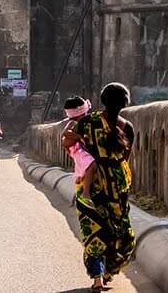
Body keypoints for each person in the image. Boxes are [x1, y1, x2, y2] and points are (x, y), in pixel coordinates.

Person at [62, 82, 137, 291]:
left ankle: (97, 277)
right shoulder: (126, 127)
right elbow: (125, 159)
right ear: (125, 102)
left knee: (94, 229)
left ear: (102, 100)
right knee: (120, 230)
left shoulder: (87, 122)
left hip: (92, 184)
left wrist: (78, 142)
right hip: (117, 184)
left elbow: (67, 143)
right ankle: (107, 271)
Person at [63, 96, 97, 208]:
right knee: (92, 165)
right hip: (77, 150)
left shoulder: (84, 122)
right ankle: (86, 194)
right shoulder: (73, 123)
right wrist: (79, 137)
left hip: (80, 149)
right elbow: (65, 133)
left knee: (89, 167)